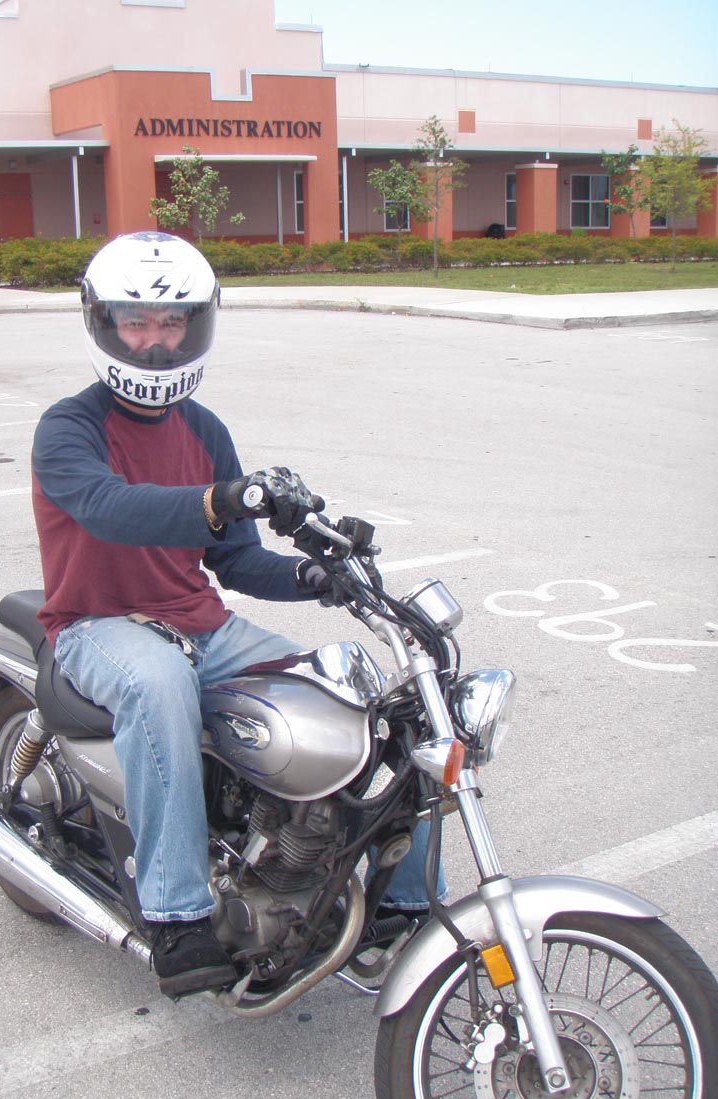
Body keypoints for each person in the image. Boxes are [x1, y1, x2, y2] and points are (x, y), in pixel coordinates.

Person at [31, 231, 443, 999]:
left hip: (201, 622)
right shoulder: (69, 427)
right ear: (103, 323)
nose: (155, 342)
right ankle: (177, 915)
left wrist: (319, 575)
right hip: (96, 623)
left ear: (198, 325)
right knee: (158, 684)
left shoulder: (204, 430)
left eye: (173, 322)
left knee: (344, 699)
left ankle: (398, 897)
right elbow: (109, 507)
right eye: (135, 322)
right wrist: (228, 497)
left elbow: (237, 562)